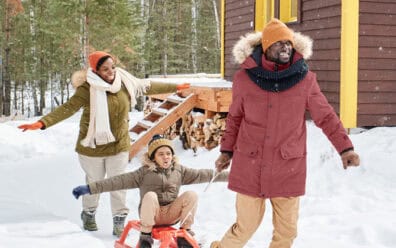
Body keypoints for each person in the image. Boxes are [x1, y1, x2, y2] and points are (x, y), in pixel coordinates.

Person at [210, 18, 360, 248]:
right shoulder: (244, 79)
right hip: (251, 163)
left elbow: (326, 116)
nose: (286, 47)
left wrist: (345, 148)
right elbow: (235, 118)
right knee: (245, 227)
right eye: (279, 43)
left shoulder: (305, 80)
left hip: (287, 165)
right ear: (266, 47)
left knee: (286, 233)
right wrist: (226, 151)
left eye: (288, 43)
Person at [17, 51, 190, 237]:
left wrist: (176, 86)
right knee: (95, 183)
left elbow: (146, 86)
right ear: (96, 70)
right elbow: (67, 108)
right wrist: (43, 123)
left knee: (119, 183)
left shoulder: (124, 81)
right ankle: (89, 213)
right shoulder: (87, 89)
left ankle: (119, 220)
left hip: (119, 145)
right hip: (92, 147)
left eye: (112, 67)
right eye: (105, 69)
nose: (111, 72)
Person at [72, 134, 229, 248]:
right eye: (161, 154)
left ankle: (184, 234)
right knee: (150, 195)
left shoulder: (179, 171)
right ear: (153, 157)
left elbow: (204, 174)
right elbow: (117, 181)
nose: (166, 157)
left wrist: (233, 177)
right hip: (151, 215)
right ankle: (145, 237)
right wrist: (90, 188)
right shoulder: (143, 173)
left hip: (171, 214)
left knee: (191, 195)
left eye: (168, 153)